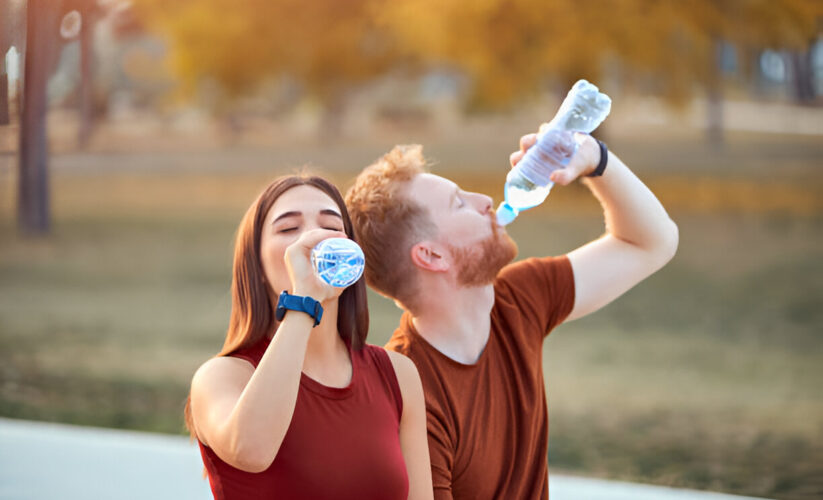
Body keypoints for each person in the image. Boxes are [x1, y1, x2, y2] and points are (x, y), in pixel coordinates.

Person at [345, 133, 678, 499]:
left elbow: (652, 242)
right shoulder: (409, 396)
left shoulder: (518, 299)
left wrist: (596, 161)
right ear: (432, 256)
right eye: (459, 204)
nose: (485, 201)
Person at [186, 174, 434, 500]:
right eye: (289, 229)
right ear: (256, 265)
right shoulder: (221, 377)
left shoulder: (398, 376)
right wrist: (303, 301)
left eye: (332, 228)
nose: (315, 239)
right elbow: (252, 450)